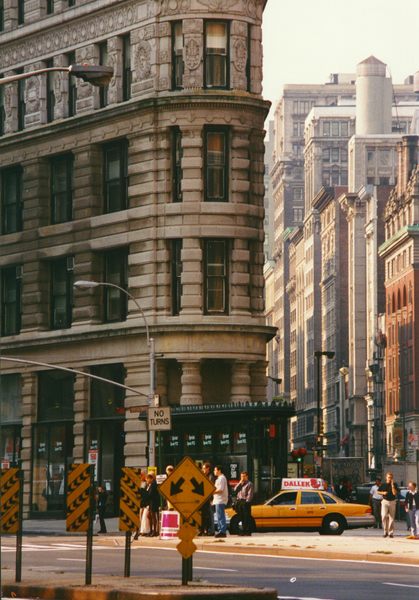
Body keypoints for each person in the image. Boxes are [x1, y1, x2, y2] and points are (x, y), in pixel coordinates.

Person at [377, 471, 399, 538]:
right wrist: (383, 493)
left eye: (391, 477)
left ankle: (390, 532)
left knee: (391, 518)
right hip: (385, 501)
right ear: (386, 477)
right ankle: (385, 531)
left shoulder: (395, 484)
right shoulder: (383, 485)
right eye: (389, 477)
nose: (390, 479)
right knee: (383, 516)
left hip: (392, 501)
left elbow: (395, 493)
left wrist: (392, 486)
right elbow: (378, 491)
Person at [233, 471, 254, 536]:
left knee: (246, 517)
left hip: (245, 502)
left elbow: (250, 494)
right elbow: (235, 490)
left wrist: (247, 502)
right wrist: (239, 483)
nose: (242, 478)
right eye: (241, 476)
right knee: (241, 517)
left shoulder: (249, 484)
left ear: (247, 476)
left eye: (244, 476)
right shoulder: (240, 484)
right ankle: (243, 530)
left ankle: (247, 531)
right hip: (239, 501)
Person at [213, 465, 228, 538]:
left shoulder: (222, 478)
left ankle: (222, 531)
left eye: (215, 470)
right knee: (219, 516)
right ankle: (220, 530)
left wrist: (212, 492)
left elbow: (221, 489)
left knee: (221, 516)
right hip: (217, 500)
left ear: (219, 470)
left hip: (220, 500)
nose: (214, 471)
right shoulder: (219, 478)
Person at [200, 462, 215, 536]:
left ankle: (209, 530)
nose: (203, 470)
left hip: (208, 499)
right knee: (203, 515)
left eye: (204, 468)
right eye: (202, 468)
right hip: (202, 499)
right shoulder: (203, 476)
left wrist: (211, 499)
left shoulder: (210, 477)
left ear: (208, 468)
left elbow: (210, 488)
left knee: (209, 515)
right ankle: (203, 530)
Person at [145, 473, 160, 537]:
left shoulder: (153, 485)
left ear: (151, 479)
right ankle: (151, 530)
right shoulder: (150, 485)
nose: (147, 481)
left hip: (154, 503)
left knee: (153, 517)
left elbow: (151, 494)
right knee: (149, 516)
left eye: (147, 479)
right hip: (151, 503)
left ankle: (154, 531)